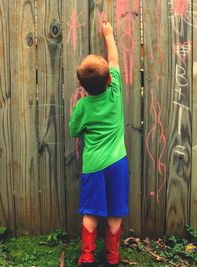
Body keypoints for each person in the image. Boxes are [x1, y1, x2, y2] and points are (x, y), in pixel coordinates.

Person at [69, 21, 129, 267]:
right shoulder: (115, 94)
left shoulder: (83, 105)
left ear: (82, 86)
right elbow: (114, 61)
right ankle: (112, 258)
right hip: (117, 163)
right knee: (115, 212)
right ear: (108, 81)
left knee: (91, 212)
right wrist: (109, 35)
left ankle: (87, 257)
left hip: (93, 166)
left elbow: (75, 130)